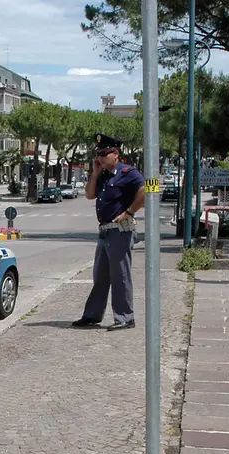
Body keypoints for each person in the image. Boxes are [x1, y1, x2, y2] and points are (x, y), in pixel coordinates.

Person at [73, 133, 145, 331]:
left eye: (104, 153)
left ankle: (125, 317)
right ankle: (92, 315)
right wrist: (95, 174)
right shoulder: (103, 175)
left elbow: (145, 190)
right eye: (98, 154)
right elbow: (89, 195)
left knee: (120, 275)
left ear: (116, 154)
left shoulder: (128, 172)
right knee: (101, 276)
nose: (100, 157)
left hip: (120, 232)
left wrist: (129, 212)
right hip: (104, 232)